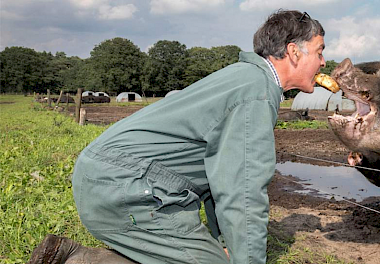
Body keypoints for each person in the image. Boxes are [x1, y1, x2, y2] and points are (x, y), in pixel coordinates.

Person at [28, 9, 326, 264]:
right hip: (127, 189)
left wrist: (225, 244)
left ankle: (74, 258)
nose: (324, 62)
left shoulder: (243, 78)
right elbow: (242, 190)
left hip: (106, 180)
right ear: (294, 52)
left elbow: (218, 176)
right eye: (320, 51)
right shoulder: (256, 94)